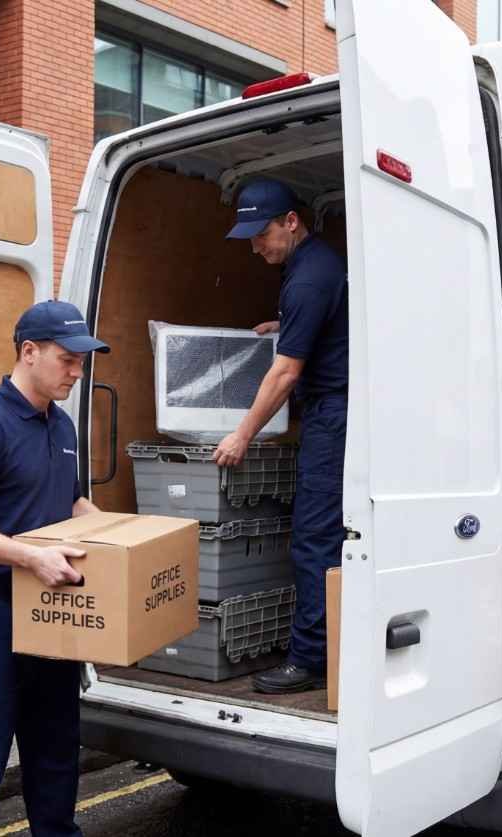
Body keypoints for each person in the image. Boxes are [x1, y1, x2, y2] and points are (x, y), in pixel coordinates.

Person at [0, 300, 109, 837]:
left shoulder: (64, 427)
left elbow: (71, 503)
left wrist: (113, 532)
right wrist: (29, 555)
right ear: (28, 352)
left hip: (53, 613)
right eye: (67, 360)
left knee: (55, 748)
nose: (77, 373)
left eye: (81, 361)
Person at [213, 178, 349, 695]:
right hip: (337, 409)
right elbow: (327, 323)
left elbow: (286, 373)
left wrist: (241, 435)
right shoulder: (317, 266)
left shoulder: (307, 279)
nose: (255, 246)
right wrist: (287, 324)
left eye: (262, 233)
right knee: (324, 533)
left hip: (332, 415)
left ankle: (310, 658)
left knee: (315, 538)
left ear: (291, 222)